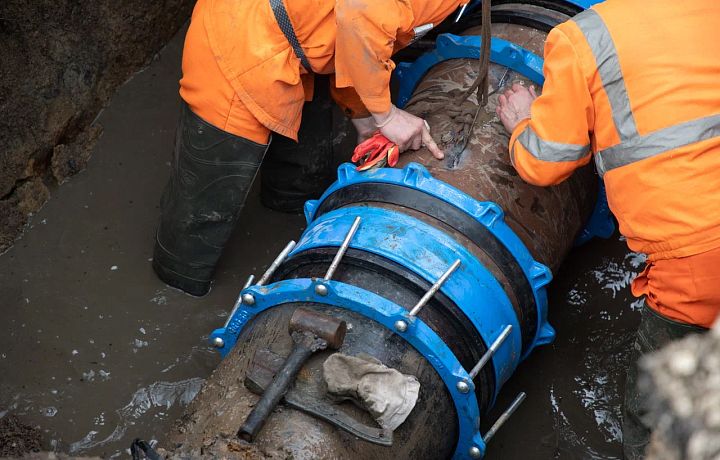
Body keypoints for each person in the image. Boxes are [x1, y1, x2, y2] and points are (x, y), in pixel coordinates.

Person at [494, 0, 720, 458]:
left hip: (697, 258)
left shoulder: (582, 38)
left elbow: (547, 161)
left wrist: (522, 124)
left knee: (662, 424)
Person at [153, 0, 463, 296]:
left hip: (304, 38)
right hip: (238, 37)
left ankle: (286, 209)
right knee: (202, 207)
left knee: (302, 178)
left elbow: (354, 31)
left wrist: (366, 117)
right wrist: (388, 115)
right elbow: (361, 14)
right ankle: (179, 279)